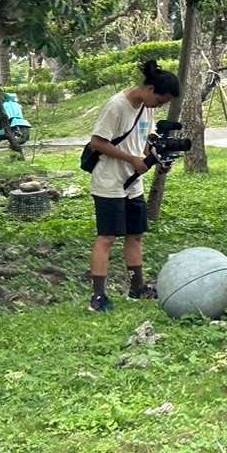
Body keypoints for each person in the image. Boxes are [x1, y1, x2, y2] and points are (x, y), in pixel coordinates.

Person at [86, 60, 180, 312]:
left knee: (135, 235)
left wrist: (156, 158)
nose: (159, 107)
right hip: (109, 180)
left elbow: (144, 139)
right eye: (160, 101)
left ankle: (137, 289)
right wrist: (131, 159)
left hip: (132, 183)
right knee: (107, 238)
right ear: (150, 90)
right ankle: (98, 297)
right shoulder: (117, 106)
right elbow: (97, 142)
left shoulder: (146, 108)